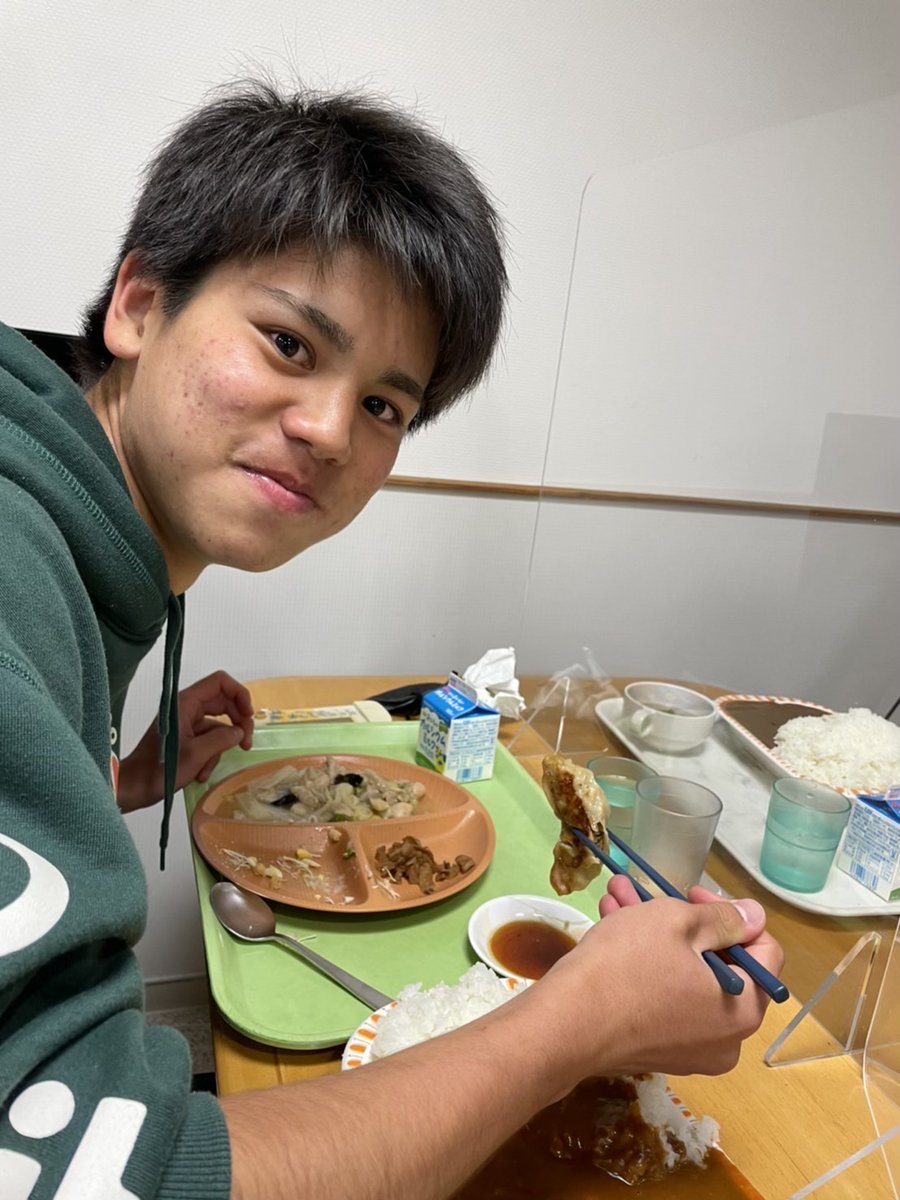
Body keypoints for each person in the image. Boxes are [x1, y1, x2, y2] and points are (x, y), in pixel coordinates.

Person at [0, 78, 783, 1200]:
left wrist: (104, 782)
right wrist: (579, 1025)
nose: (329, 429)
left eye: (384, 407)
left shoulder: (76, 515)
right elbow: (107, 1175)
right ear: (139, 302)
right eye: (287, 342)